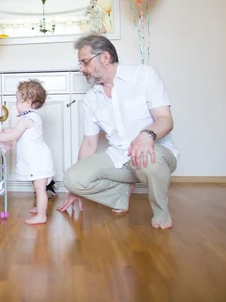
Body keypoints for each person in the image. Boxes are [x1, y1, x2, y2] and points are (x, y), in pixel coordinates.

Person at [57, 35, 179, 230]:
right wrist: (75, 189)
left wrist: (146, 136)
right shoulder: (91, 98)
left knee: (150, 157)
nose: (81, 69)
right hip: (118, 157)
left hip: (155, 152)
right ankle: (120, 193)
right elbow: (89, 143)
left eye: (84, 62)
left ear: (104, 57)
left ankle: (161, 211)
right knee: (72, 179)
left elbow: (166, 120)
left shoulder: (144, 75)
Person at [0, 80, 55, 225]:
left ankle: (42, 215)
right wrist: (3, 131)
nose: (15, 103)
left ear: (28, 102)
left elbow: (13, 136)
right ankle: (40, 208)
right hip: (37, 159)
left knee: (39, 189)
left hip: (38, 160)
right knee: (37, 187)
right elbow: (16, 131)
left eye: (17, 100)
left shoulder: (27, 119)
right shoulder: (30, 118)